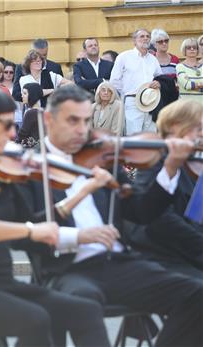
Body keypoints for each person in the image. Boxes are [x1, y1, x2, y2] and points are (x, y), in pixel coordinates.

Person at [19, 84, 203, 346]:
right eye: (73, 121)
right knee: (85, 299)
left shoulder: (101, 158)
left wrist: (170, 167)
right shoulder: (30, 167)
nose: (82, 130)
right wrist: (79, 235)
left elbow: (142, 212)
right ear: (49, 119)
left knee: (197, 294)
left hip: (118, 263)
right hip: (67, 270)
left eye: (85, 121)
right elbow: (25, 232)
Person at [0, 85, 110, 346]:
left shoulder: (0, 171)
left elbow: (27, 229)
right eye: (6, 126)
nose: (13, 133)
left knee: (85, 310)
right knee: (37, 319)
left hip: (1, 282)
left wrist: (78, 195)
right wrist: (30, 230)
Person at [128, 100, 203, 282]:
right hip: (166, 255)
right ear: (176, 127)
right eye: (199, 128)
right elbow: (161, 220)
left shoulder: (197, 162)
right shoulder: (155, 159)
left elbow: (198, 215)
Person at [110, 29, 162, 135]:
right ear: (134, 40)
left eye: (147, 36)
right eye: (142, 36)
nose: (145, 38)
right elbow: (114, 81)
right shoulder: (124, 57)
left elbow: (160, 77)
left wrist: (158, 83)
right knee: (133, 136)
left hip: (151, 101)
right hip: (132, 101)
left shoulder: (153, 59)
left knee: (151, 137)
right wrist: (126, 95)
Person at [12, 38, 64, 102]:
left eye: (44, 55)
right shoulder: (21, 68)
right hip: (30, 108)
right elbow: (16, 94)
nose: (42, 58)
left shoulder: (55, 67)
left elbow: (62, 90)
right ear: (31, 53)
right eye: (38, 55)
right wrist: (33, 96)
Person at [176, 37, 203, 104]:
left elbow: (190, 86)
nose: (192, 49)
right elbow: (187, 85)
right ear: (184, 50)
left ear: (197, 50)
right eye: (188, 47)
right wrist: (200, 87)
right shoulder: (180, 66)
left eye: (194, 47)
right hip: (186, 107)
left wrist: (193, 85)